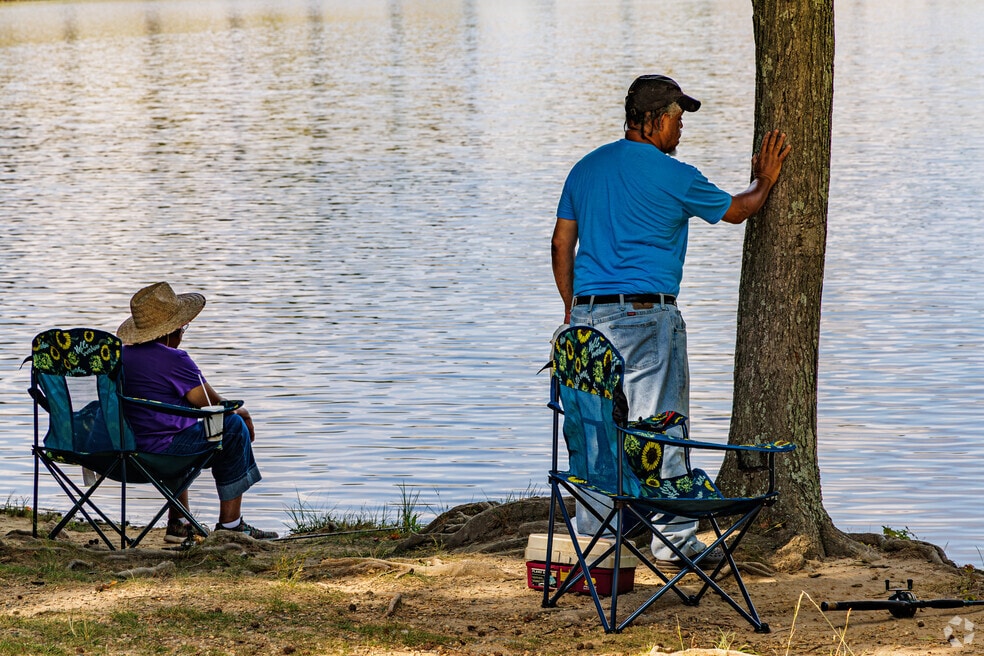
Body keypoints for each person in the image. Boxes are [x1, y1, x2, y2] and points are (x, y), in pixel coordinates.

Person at [551, 74, 790, 562]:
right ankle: (674, 541)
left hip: (585, 325)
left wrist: (573, 309)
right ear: (655, 120)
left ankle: (595, 541)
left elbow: (561, 243)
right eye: (678, 119)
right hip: (646, 318)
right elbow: (740, 210)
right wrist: (765, 177)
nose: (681, 130)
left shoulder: (585, 169)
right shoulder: (674, 175)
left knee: (596, 430)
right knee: (661, 427)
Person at [117, 281, 278, 541]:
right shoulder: (174, 360)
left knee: (175, 421)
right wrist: (243, 414)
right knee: (233, 429)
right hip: (161, 454)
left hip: (121, 452)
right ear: (169, 332)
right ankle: (231, 527)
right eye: (182, 328)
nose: (182, 333)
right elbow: (213, 405)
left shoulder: (120, 357)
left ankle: (179, 522)